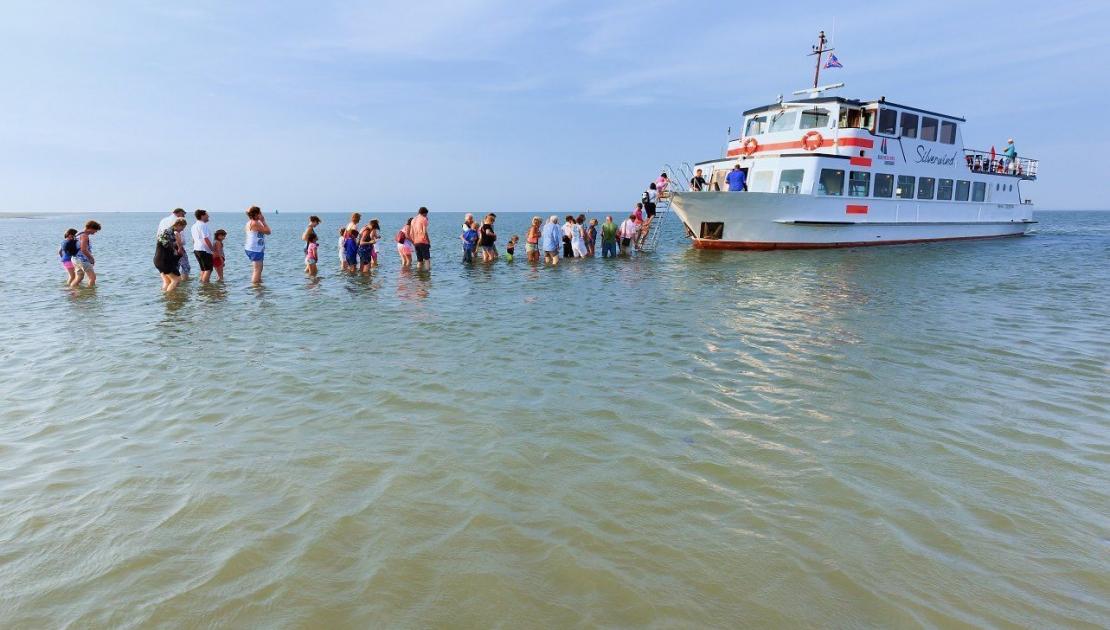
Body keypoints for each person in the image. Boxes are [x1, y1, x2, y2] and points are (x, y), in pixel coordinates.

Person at [154, 217, 186, 292]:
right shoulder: (166, 232)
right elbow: (166, 244)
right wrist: (177, 245)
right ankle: (170, 298)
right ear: (178, 225)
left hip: (161, 260)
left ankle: (166, 299)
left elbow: (174, 249)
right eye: (182, 227)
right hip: (163, 260)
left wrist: (178, 245)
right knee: (176, 280)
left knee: (167, 282)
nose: (182, 230)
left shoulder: (172, 233)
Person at [244, 206, 270, 284]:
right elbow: (268, 231)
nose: (261, 214)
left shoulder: (250, 222)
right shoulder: (254, 223)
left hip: (253, 248)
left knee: (259, 268)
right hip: (255, 249)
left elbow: (247, 211)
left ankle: (259, 284)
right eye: (260, 213)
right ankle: (255, 288)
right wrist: (263, 221)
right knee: (257, 269)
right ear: (256, 214)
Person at [70, 220, 101, 288]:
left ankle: (71, 290)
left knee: (79, 277)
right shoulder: (84, 236)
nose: (95, 232)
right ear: (91, 228)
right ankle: (90, 294)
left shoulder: (78, 234)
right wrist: (91, 258)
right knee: (92, 278)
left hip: (75, 258)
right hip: (82, 260)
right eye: (95, 230)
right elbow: (83, 249)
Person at [191, 209, 215, 283]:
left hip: (196, 249)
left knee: (203, 269)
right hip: (204, 250)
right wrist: (212, 250)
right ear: (202, 216)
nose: (208, 216)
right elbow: (206, 239)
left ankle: (202, 284)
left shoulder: (194, 226)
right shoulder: (203, 225)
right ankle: (205, 287)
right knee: (208, 269)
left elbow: (193, 239)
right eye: (207, 215)